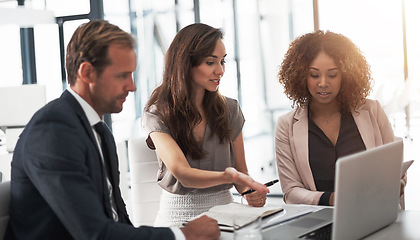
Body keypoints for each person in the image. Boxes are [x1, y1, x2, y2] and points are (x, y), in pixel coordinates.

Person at [5, 20, 220, 240]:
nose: (132, 86)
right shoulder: (52, 133)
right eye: (122, 75)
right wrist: (182, 235)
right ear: (87, 73)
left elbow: (116, 217)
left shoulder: (100, 131)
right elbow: (95, 234)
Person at [142, 23, 269, 227]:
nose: (220, 71)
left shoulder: (230, 109)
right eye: (210, 62)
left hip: (227, 215)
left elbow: (241, 172)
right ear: (186, 63)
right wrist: (228, 176)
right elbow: (183, 174)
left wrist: (249, 192)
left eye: (223, 61)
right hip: (177, 218)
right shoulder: (158, 113)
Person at [275, 30, 406, 207]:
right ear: (301, 76)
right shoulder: (286, 125)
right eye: (314, 75)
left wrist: (399, 184)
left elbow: (394, 167)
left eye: (332, 74)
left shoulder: (372, 110)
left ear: (345, 74)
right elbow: (291, 191)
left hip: (374, 214)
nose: (322, 83)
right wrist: (331, 199)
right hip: (320, 221)